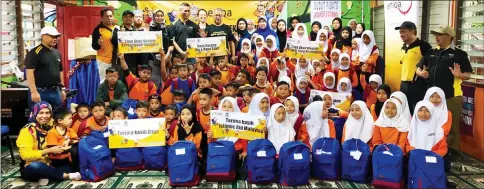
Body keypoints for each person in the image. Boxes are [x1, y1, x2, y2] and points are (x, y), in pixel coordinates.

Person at [416, 26, 472, 150]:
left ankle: (452, 154)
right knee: (431, 124)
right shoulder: (430, 52)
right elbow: (418, 68)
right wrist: (421, 73)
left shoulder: (460, 54)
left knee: (452, 127)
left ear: (450, 37)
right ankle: (433, 149)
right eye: (435, 34)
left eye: (440, 34)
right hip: (431, 98)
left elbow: (468, 74)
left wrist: (460, 75)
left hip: (451, 97)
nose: (436, 37)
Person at [16, 102, 81, 185]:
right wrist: (49, 150)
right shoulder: (27, 131)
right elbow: (25, 155)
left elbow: (68, 133)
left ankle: (47, 176)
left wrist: (68, 141)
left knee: (70, 166)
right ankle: (65, 176)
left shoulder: (53, 125)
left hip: (51, 163)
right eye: (41, 113)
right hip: (31, 165)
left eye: (47, 113)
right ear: (35, 114)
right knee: (36, 167)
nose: (45, 116)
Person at [395, 21, 432, 114]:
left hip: (417, 85)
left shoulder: (424, 46)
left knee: (417, 111)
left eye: (403, 32)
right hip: (404, 84)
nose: (401, 35)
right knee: (403, 111)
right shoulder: (403, 47)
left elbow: (431, 63)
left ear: (412, 32)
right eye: (400, 32)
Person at [26, 26, 65, 110]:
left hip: (55, 91)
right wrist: (34, 91)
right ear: (43, 36)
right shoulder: (35, 53)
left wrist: (62, 89)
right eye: (52, 36)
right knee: (39, 117)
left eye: (56, 37)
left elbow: (60, 71)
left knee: (56, 118)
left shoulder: (57, 52)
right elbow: (29, 72)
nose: (55, 39)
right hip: (40, 92)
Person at [92, 8, 119, 82]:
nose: (109, 18)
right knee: (104, 81)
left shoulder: (117, 28)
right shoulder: (98, 30)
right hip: (104, 60)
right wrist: (98, 43)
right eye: (107, 16)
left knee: (115, 81)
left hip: (117, 60)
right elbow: (94, 46)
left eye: (111, 16)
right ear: (102, 17)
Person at [149, 9, 172, 88]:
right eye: (157, 16)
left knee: (165, 80)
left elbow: (171, 45)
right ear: (154, 17)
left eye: (161, 16)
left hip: (166, 59)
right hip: (153, 59)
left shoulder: (167, 28)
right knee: (154, 80)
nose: (160, 18)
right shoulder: (150, 29)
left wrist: (167, 55)